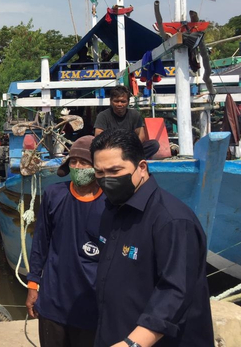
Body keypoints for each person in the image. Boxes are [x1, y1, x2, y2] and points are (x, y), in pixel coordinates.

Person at [90, 129, 214, 347]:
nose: (107, 179)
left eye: (115, 170)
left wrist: (134, 342)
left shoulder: (172, 220)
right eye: (100, 172)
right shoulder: (111, 210)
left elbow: (176, 290)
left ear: (141, 167)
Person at [25, 136, 105, 347]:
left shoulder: (110, 203)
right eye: (74, 162)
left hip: (91, 304)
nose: (78, 167)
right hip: (53, 302)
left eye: (85, 162)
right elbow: (40, 242)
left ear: (97, 167)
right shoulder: (54, 194)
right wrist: (33, 284)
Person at [94, 86, 160, 159]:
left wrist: (130, 147)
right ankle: (129, 159)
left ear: (128, 102)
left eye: (123, 101)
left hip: (130, 149)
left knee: (154, 144)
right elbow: (98, 135)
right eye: (116, 101)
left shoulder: (135, 115)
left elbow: (141, 135)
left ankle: (129, 159)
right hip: (110, 150)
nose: (119, 104)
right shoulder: (103, 115)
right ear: (111, 101)